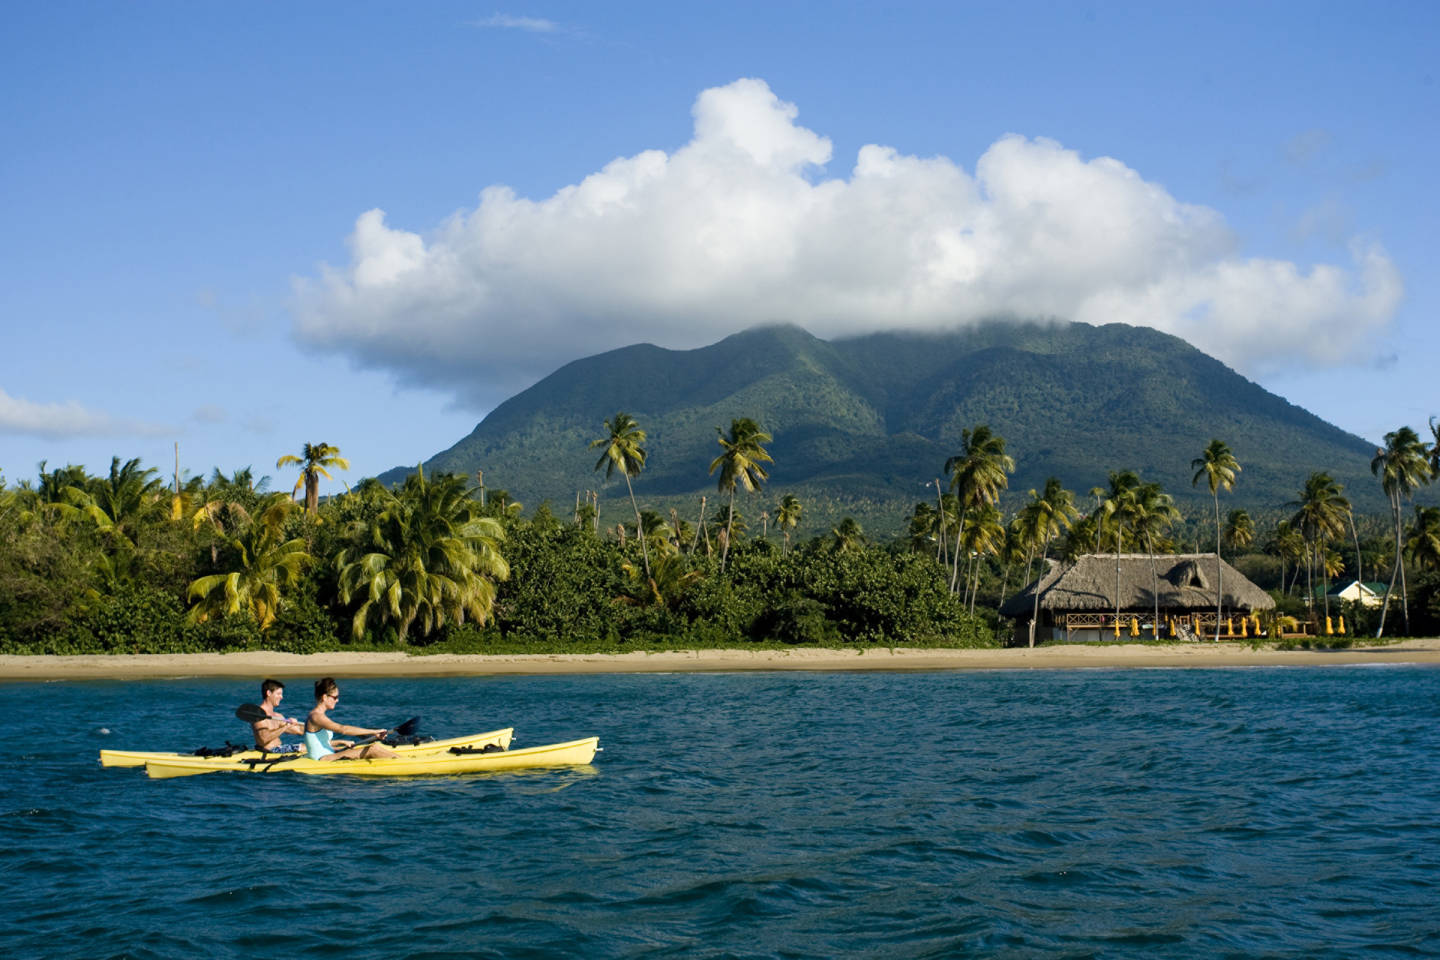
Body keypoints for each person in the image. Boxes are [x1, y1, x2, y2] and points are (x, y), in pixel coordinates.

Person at [304, 678, 398, 761]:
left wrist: (342, 742)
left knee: (374, 747)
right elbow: (343, 729)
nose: (337, 700)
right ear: (324, 697)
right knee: (372, 749)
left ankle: (400, 759)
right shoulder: (316, 716)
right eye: (335, 697)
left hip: (328, 755)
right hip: (324, 759)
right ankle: (404, 762)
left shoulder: (317, 715)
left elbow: (319, 743)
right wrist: (374, 732)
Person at [252, 678, 304, 753]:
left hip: (279, 748)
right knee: (306, 747)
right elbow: (263, 739)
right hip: (269, 751)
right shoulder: (258, 714)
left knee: (310, 746)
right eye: (278, 694)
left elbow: (298, 730)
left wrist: (315, 729)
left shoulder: (278, 716)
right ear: (269, 693)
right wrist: (286, 726)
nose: (281, 697)